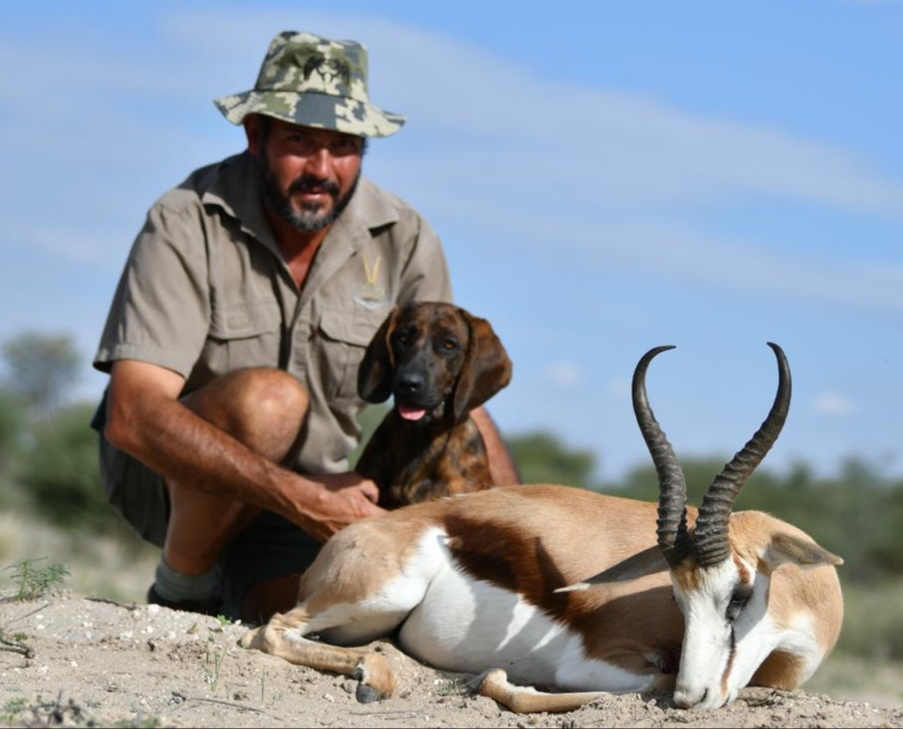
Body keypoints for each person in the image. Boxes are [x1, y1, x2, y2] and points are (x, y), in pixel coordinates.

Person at [91, 30, 519, 623]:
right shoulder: (187, 218)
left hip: (315, 498)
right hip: (174, 482)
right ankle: (182, 593)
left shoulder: (405, 235)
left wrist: (517, 528)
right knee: (271, 401)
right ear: (255, 135)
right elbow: (132, 414)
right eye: (298, 141)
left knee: (340, 621)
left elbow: (454, 393)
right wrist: (302, 499)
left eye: (343, 146)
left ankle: (243, 590)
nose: (321, 168)